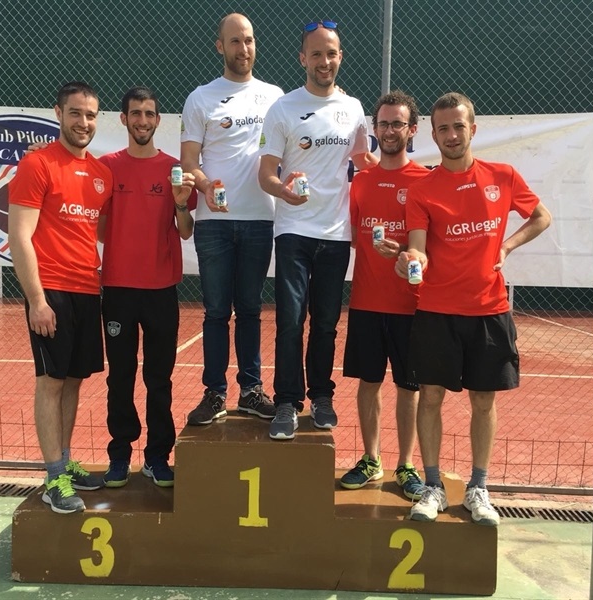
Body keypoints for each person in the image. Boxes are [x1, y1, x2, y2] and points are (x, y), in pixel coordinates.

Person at [396, 92, 552, 525]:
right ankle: (432, 486)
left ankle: (478, 488)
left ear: (473, 129)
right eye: (443, 128)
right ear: (433, 135)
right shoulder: (421, 191)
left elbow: (541, 216)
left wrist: (508, 245)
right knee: (430, 397)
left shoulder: (503, 176)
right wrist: (412, 259)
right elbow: (418, 247)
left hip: (489, 309)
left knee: (484, 400)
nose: (451, 135)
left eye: (458, 126)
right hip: (437, 311)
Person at [258, 20, 378, 440]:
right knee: (291, 321)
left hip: (336, 234)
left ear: (340, 56)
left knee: (325, 323)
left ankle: (321, 397)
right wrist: (284, 193)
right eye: (316, 54)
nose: (324, 61)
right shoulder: (283, 108)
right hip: (293, 230)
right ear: (302, 59)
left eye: (331, 53)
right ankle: (286, 402)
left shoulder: (354, 109)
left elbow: (365, 163)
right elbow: (266, 174)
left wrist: (405, 176)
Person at [8, 81, 112, 514]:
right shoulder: (37, 164)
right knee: (51, 383)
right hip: (51, 292)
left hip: (88, 290)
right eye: (75, 113)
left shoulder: (103, 175)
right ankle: (53, 479)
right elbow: (19, 236)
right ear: (58, 113)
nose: (83, 122)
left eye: (90, 115)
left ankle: (65, 465)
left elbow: (101, 232)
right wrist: (37, 300)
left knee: (73, 381)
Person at [181, 13, 284, 426]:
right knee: (215, 312)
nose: (244, 48)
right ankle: (214, 393)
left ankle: (251, 391)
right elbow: (189, 162)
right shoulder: (200, 98)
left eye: (249, 40)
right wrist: (205, 186)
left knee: (251, 309)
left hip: (260, 220)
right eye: (235, 41)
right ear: (220, 46)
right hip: (214, 224)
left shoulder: (276, 97)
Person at [98, 86, 197, 489]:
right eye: (135, 113)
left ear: (158, 120)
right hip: (118, 289)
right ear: (124, 119)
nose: (142, 120)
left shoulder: (174, 169)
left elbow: (186, 231)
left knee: (159, 379)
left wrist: (180, 203)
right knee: (120, 376)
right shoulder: (106, 167)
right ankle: (120, 454)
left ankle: (157, 456)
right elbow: (100, 228)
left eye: (149, 113)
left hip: (161, 291)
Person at [339, 91, 428, 500]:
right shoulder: (360, 182)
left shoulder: (425, 181)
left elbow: (433, 246)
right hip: (366, 302)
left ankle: (406, 464)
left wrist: (406, 252)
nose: (390, 131)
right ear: (374, 129)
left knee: (409, 387)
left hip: (412, 305)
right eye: (384, 124)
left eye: (398, 124)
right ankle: (371, 459)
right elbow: (355, 237)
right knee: (368, 383)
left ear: (412, 130)